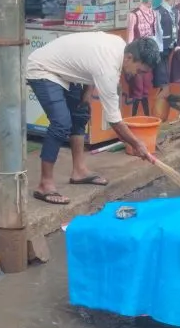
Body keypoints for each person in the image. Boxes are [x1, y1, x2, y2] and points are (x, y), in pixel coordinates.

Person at [26, 33, 160, 204]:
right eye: (140, 70)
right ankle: (44, 184)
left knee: (81, 114)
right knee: (61, 124)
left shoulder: (120, 46)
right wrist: (137, 144)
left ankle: (79, 171)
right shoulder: (109, 68)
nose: (138, 75)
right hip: (43, 68)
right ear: (129, 57)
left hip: (66, 72)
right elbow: (115, 122)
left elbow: (90, 63)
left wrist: (87, 93)